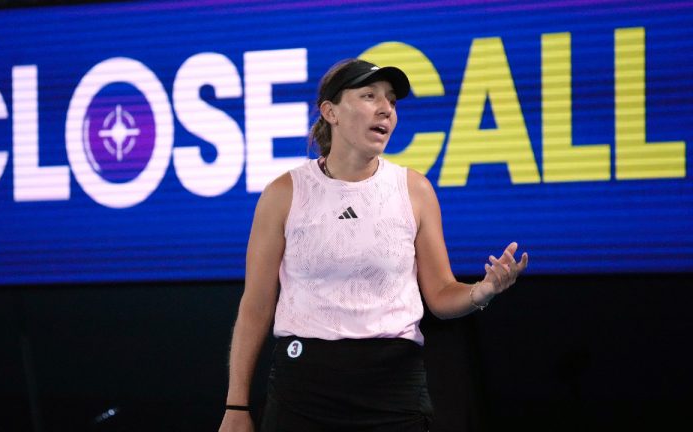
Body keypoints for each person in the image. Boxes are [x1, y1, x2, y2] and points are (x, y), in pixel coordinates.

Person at [218, 58, 529, 432]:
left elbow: (442, 296)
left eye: (392, 101)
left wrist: (483, 291)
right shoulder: (283, 193)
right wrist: (236, 404)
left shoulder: (415, 190)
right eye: (369, 96)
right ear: (330, 111)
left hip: (393, 389)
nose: (385, 109)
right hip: (303, 388)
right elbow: (256, 305)